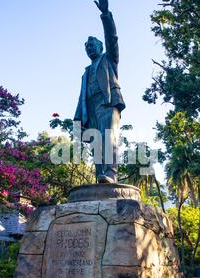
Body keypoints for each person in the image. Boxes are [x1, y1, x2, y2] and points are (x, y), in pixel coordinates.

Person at [74, 0, 125, 184]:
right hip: (91, 108)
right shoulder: (85, 73)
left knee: (108, 136)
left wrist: (105, 14)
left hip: (107, 103)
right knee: (95, 143)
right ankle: (100, 177)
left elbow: (112, 38)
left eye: (92, 45)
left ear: (101, 47)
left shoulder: (109, 58)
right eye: (86, 47)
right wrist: (78, 120)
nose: (89, 48)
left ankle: (110, 173)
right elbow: (81, 98)